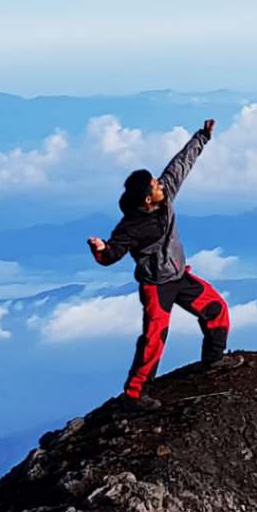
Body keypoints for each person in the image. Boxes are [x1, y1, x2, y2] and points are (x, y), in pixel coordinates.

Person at [86, 119, 230, 410]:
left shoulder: (165, 198)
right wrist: (101, 250)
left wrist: (202, 137)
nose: (160, 183)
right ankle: (135, 395)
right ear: (147, 198)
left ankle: (213, 361)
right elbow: (113, 253)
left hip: (179, 276)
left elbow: (180, 165)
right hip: (156, 287)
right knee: (153, 340)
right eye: (155, 185)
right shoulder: (131, 227)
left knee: (217, 310)